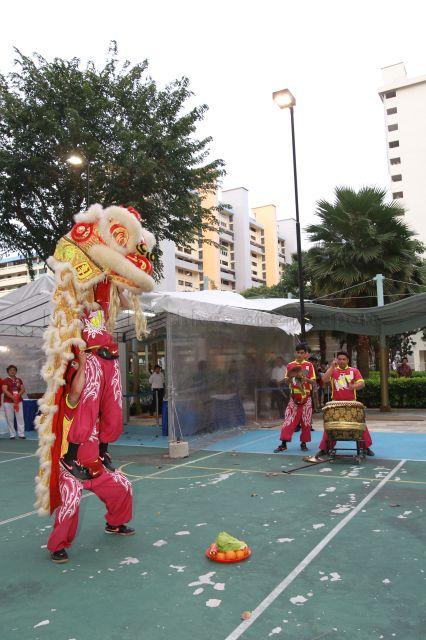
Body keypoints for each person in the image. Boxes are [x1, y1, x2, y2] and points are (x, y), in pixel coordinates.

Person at [47, 351, 134, 564]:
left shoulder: (100, 411)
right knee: (70, 502)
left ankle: (114, 523)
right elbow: (77, 392)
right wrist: (85, 365)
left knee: (124, 486)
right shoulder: (71, 405)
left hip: (96, 469)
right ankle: (57, 546)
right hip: (72, 471)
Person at [61, 281, 130, 480]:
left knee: (113, 407)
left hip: (111, 359)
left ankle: (103, 452)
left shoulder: (105, 300)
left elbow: (125, 304)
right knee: (88, 406)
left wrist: (118, 287)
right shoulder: (79, 304)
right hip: (92, 358)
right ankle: (70, 456)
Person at [315, 351, 375, 457]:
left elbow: (362, 383)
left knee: (360, 425)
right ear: (337, 360)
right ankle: (325, 448)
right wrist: (331, 367)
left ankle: (365, 447)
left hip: (351, 403)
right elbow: (323, 380)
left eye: (344, 359)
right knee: (330, 426)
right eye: (340, 359)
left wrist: (353, 387)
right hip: (335, 404)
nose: (341, 361)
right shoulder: (333, 370)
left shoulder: (354, 371)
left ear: (347, 360)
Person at [273, 344, 316, 453]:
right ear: (295, 353)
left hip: (306, 397)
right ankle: (283, 444)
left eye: (302, 353)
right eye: (298, 352)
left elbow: (313, 382)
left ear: (306, 353)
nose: (300, 355)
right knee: (288, 420)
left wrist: (303, 378)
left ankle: (304, 443)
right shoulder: (290, 365)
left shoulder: (309, 365)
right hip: (294, 397)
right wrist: (292, 377)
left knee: (306, 422)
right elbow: (287, 381)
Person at [2, 365, 26, 439]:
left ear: (16, 371)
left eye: (14, 370)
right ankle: (12, 434)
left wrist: (18, 396)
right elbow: (4, 390)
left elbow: (23, 389)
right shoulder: (5, 380)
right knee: (10, 418)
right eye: (10, 370)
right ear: (8, 372)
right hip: (8, 402)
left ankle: (21, 434)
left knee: (20, 417)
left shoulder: (19, 380)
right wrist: (12, 397)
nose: (12, 371)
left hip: (18, 401)